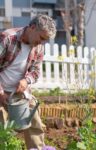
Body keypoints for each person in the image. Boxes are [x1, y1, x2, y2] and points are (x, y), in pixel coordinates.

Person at [0, 14, 56, 149]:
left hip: (20, 93)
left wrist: (26, 80)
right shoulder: (8, 38)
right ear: (32, 27)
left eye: (45, 40)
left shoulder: (38, 47)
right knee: (2, 128)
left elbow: (35, 72)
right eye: (41, 38)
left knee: (34, 122)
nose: (42, 43)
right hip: (1, 90)